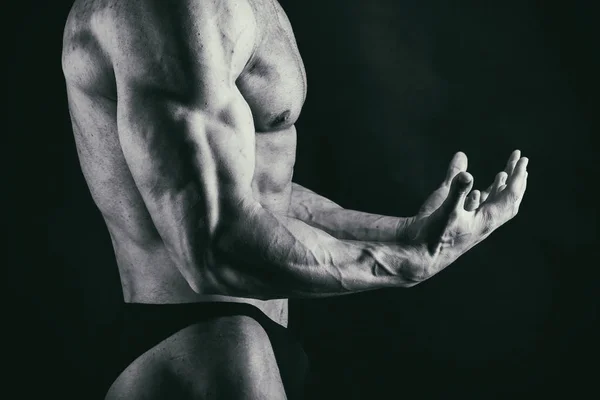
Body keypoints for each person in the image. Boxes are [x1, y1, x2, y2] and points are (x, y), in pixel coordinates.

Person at [61, 0, 529, 398]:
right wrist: (402, 265)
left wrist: (406, 235)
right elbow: (214, 247)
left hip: (256, 342)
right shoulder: (169, 10)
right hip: (204, 346)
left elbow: (255, 193)